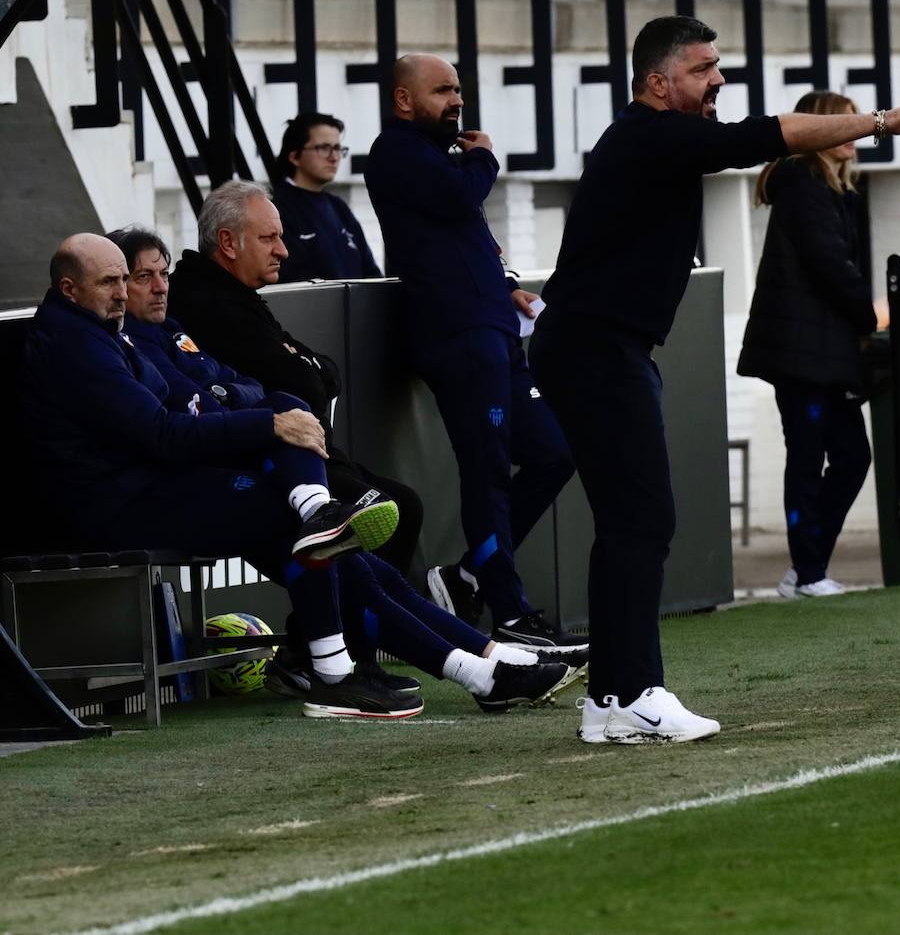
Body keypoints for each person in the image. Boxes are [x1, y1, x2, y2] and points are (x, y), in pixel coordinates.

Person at [530, 14, 900, 744]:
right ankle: (635, 691)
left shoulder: (652, 140)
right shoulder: (649, 134)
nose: (718, 79)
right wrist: (883, 120)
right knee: (644, 520)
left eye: (716, 67)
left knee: (628, 524)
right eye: (703, 70)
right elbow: (766, 137)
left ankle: (608, 701)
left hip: (599, 346)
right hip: (597, 347)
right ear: (658, 82)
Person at [108, 225, 583, 711]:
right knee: (337, 547)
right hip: (183, 491)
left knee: (354, 549)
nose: (159, 286)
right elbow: (183, 422)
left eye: (161, 274)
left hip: (240, 471)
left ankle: (489, 662)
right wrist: (252, 414)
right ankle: (368, 667)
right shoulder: (120, 343)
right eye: (141, 277)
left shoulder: (167, 329)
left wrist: (244, 407)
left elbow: (244, 387)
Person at [21, 233, 419, 719]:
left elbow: (205, 395)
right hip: (122, 505)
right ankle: (340, 670)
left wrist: (241, 408)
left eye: (133, 278)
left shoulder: (108, 329)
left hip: (155, 483)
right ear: (69, 289)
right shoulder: (78, 344)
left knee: (326, 526)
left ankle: (452, 660)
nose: (128, 291)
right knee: (293, 514)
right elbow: (165, 430)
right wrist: (263, 421)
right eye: (116, 280)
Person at [364, 53, 583, 650]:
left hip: (495, 328)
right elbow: (459, 200)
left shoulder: (436, 155)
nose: (457, 100)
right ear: (405, 100)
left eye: (459, 89)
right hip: (457, 336)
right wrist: (485, 156)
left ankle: (464, 579)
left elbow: (458, 234)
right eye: (443, 90)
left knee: (554, 452)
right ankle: (510, 615)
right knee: (486, 472)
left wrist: (502, 283)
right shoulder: (395, 151)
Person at [165, 181, 425, 580]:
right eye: (268, 238)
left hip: (307, 454)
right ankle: (360, 634)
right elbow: (306, 384)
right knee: (387, 511)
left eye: (280, 237)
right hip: (262, 463)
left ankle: (357, 632)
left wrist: (307, 366)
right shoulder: (206, 301)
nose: (283, 250)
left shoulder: (235, 294)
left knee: (404, 505)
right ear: (228, 243)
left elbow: (324, 372)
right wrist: (307, 367)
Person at [737, 90, 877, 599]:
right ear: (821, 132)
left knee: (849, 456)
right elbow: (831, 268)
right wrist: (868, 314)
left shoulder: (834, 192)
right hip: (801, 354)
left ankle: (807, 566)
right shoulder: (805, 185)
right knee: (810, 456)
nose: (858, 133)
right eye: (846, 124)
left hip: (820, 352)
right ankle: (809, 571)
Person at [272, 112, 381, 283]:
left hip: (356, 308)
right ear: (294, 156)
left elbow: (372, 273)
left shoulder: (339, 207)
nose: (334, 157)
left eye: (338, 148)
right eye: (323, 148)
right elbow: (290, 278)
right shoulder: (275, 208)